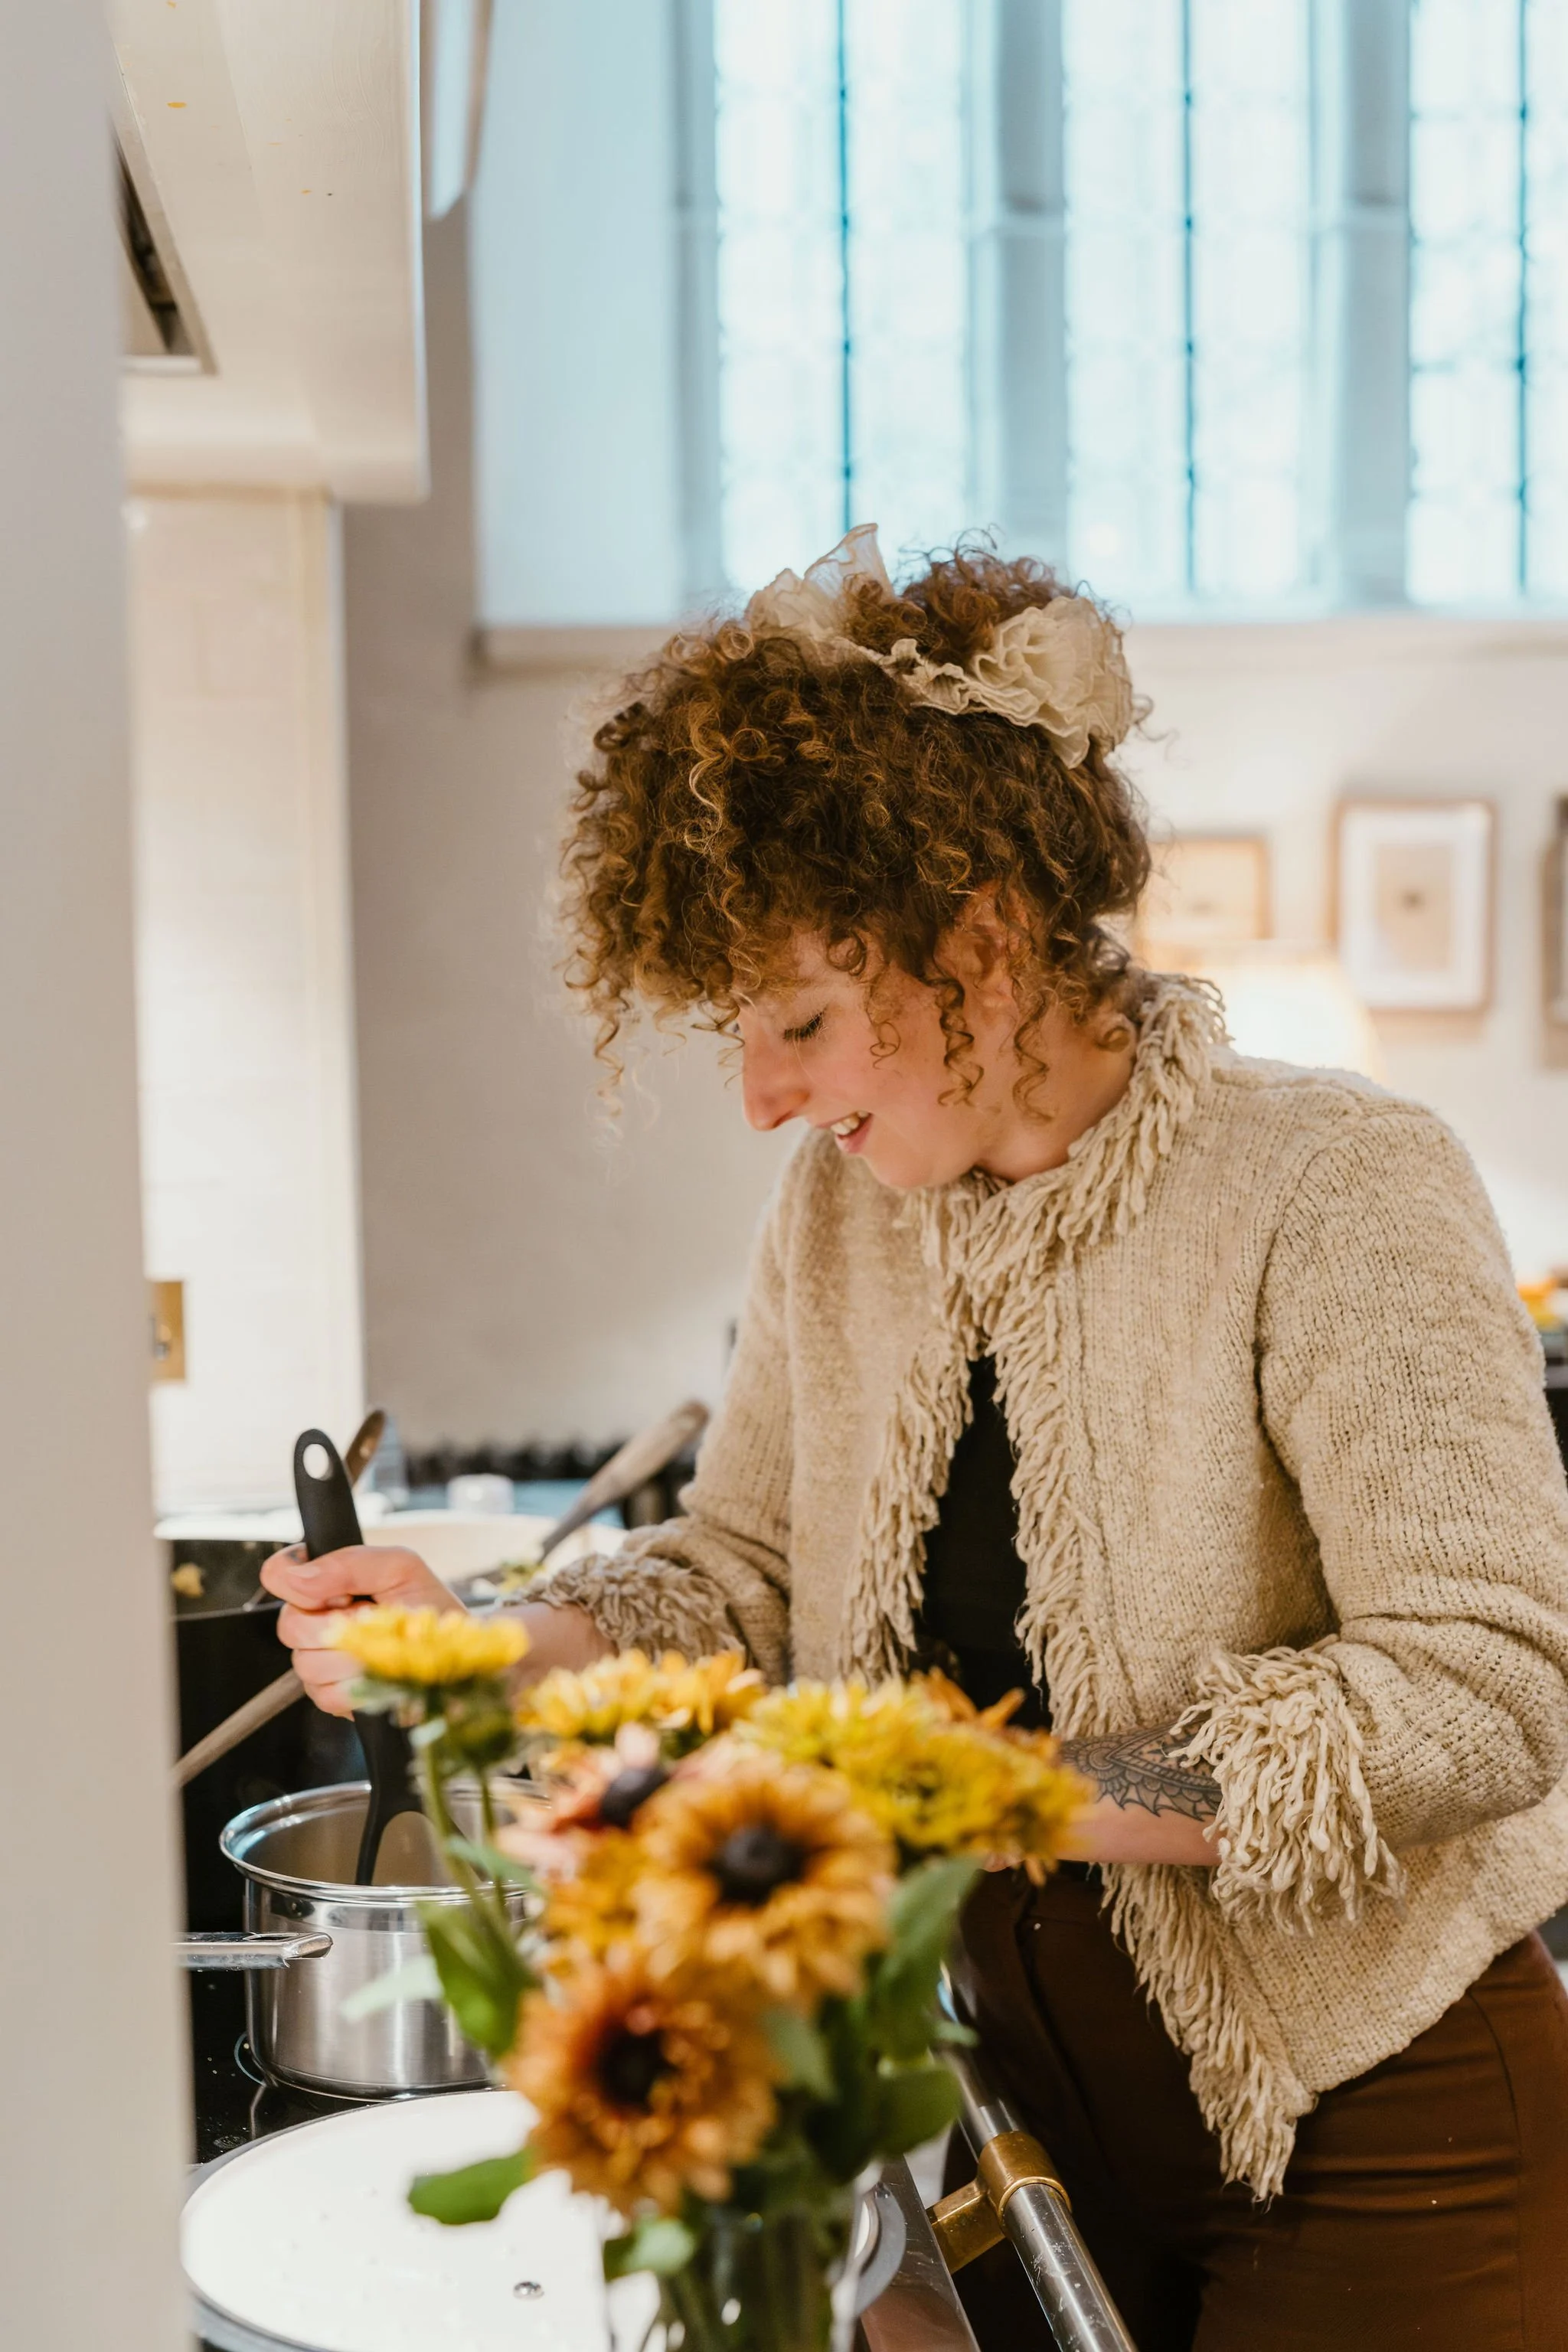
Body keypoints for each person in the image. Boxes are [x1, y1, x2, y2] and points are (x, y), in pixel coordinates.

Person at [264, 531, 1568, 2349]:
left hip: (1374, 2129)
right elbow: (741, 1576)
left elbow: (1484, 1693)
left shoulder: (1335, 1185)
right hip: (1003, 2113)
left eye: (798, 1022)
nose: (763, 1097)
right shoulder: (841, 1214)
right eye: (738, 1032)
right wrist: (483, 1635)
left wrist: (976, 1791)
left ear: (979, 937)